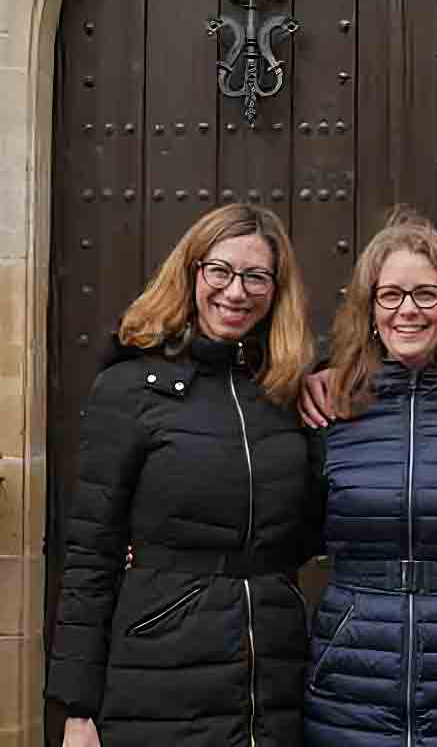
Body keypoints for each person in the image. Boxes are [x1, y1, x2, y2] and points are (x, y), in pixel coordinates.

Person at [46, 203, 324, 747]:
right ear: (192, 270)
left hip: (269, 677)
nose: (236, 292)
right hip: (157, 673)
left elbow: (311, 527)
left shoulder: (288, 390)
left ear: (277, 288)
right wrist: (76, 708)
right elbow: (91, 555)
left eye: (255, 277)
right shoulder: (129, 388)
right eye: (219, 271)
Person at [302, 215, 437, 745]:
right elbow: (285, 522)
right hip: (352, 676)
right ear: (370, 307)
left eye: (426, 294)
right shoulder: (330, 405)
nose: (408, 310)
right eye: (391, 295)